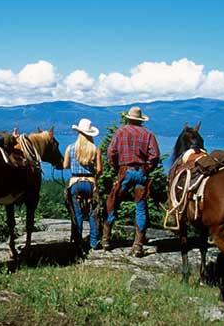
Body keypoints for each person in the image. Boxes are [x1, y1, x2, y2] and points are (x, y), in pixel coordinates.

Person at [102, 106, 160, 256]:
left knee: (113, 201)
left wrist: (117, 169)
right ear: (140, 120)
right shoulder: (148, 134)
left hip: (125, 171)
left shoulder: (120, 132)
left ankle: (106, 239)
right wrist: (147, 169)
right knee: (140, 207)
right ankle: (138, 245)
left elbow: (111, 153)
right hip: (141, 172)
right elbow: (154, 156)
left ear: (128, 118)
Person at [62, 118, 102, 251]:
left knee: (77, 213)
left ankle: (77, 241)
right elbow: (99, 169)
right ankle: (94, 242)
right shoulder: (96, 149)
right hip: (90, 184)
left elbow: (65, 165)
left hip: (75, 184)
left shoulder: (70, 148)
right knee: (93, 213)